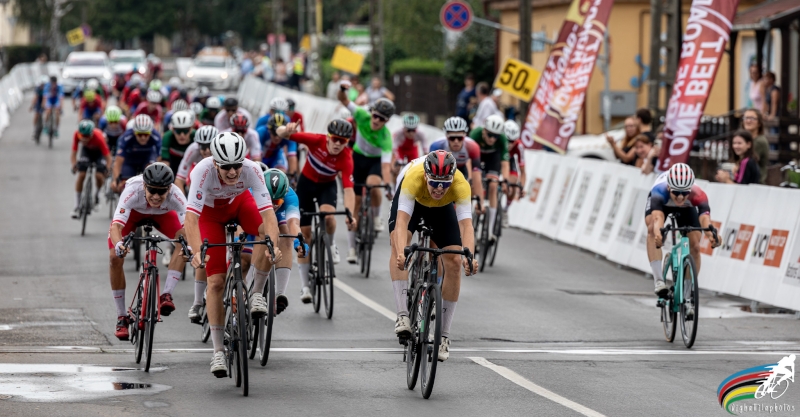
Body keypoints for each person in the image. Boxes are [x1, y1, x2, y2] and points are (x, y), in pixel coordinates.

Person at [185, 132, 282, 377]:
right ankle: (218, 350)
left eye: (237, 165)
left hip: (239, 204)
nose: (232, 172)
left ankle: (256, 292)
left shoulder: (251, 169)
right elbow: (191, 219)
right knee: (216, 282)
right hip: (210, 215)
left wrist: (273, 246)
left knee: (265, 234)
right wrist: (197, 252)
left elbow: (269, 215)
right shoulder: (202, 171)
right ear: (214, 162)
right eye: (226, 167)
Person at [389, 150, 479, 361]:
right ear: (426, 176)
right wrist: (402, 252)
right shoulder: (413, 177)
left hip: (441, 209)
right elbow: (401, 222)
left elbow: (466, 226)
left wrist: (470, 256)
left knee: (454, 260)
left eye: (445, 183)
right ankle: (402, 315)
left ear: (452, 179)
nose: (439, 188)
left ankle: (444, 336)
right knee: (398, 244)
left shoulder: (460, 184)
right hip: (414, 201)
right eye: (435, 182)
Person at [276, 119, 356, 302]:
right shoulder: (315, 140)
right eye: (335, 139)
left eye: (343, 141)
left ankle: (331, 244)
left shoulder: (346, 157)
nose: (338, 144)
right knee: (305, 235)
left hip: (327, 187)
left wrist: (350, 214)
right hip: (306, 185)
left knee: (328, 217)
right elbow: (282, 134)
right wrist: (286, 129)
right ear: (328, 137)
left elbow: (348, 189)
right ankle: (305, 286)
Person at [108, 163, 189, 340]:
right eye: (152, 190)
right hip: (133, 215)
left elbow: (189, 225)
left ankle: (166, 294)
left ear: (169, 189)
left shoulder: (176, 194)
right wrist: (119, 245)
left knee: (184, 240)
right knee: (114, 257)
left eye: (161, 192)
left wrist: (190, 247)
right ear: (144, 185)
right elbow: (116, 227)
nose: (156, 196)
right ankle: (121, 317)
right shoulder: (132, 190)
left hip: (162, 215)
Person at [337, 80, 395, 263]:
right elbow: (343, 100)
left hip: (374, 162)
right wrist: (342, 89)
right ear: (372, 113)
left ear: (387, 121)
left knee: (374, 184)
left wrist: (388, 185)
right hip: (358, 159)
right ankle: (352, 249)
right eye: (375, 116)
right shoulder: (361, 115)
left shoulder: (386, 137)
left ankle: (376, 218)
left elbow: (386, 166)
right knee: (355, 204)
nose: (377, 120)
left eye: (382, 119)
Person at [647, 164, 719, 308]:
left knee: (695, 246)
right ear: (669, 187)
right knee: (651, 230)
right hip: (663, 204)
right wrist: (659, 234)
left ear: (690, 189)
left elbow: (705, 220)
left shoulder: (698, 194)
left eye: (684, 193)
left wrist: (711, 235)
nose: (680, 197)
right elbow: (657, 219)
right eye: (676, 192)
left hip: (687, 208)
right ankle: (659, 281)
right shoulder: (659, 191)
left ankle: (687, 295)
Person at [248, 169, 307, 314]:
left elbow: (293, 223)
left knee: (285, 234)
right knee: (261, 236)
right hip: (255, 213)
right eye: (270, 200)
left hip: (276, 217)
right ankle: (247, 284)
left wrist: (298, 242)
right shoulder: (251, 192)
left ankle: (280, 293)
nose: (273, 205)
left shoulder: (290, 195)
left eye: (278, 201)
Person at [469, 115, 509, 241]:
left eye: (495, 136)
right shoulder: (475, 134)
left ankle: (490, 230)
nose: (492, 139)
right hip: (477, 156)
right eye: (490, 135)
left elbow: (505, 163)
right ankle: (468, 218)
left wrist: (505, 180)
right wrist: (470, 178)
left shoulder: (502, 139)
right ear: (484, 131)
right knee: (473, 183)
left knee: (493, 186)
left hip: (493, 158)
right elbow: (468, 159)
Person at [429, 116, 483, 198]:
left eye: (460, 138)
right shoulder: (437, 146)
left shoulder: (473, 146)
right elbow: (430, 171)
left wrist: (479, 201)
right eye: (452, 138)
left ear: (465, 136)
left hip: (462, 169)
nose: (456, 141)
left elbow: (476, 173)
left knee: (471, 187)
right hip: (443, 171)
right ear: (447, 136)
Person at [70, 120, 112, 218]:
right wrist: (74, 165)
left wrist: (107, 169)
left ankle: (97, 195)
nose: (84, 139)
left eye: (87, 136)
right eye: (82, 136)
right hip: (87, 152)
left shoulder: (99, 138)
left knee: (99, 175)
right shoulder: (76, 135)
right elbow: (74, 153)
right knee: (81, 175)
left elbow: (108, 157)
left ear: (91, 134)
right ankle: (77, 206)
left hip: (99, 153)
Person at [112, 115, 162, 193]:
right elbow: (118, 161)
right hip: (130, 160)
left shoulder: (156, 136)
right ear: (134, 132)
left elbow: (160, 158)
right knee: (125, 184)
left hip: (147, 158)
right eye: (139, 134)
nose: (143, 137)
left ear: (150, 132)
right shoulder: (126, 136)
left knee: (152, 176)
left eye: (146, 134)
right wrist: (116, 180)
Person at [175, 125, 218, 191]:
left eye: (210, 146)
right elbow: (179, 181)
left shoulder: (222, 150)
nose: (207, 150)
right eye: (203, 146)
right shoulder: (193, 149)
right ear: (198, 145)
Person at [391, 113, 427, 183]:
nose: (411, 133)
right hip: (400, 149)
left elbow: (425, 151)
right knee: (397, 166)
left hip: (412, 150)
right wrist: (393, 163)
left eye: (413, 130)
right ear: (404, 128)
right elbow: (393, 149)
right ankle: (394, 186)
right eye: (408, 130)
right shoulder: (398, 133)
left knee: (414, 169)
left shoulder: (421, 134)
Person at [159, 110, 196, 175]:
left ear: (191, 130)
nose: (182, 135)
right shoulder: (167, 136)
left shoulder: (196, 136)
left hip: (191, 162)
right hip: (173, 161)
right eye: (178, 131)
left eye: (185, 131)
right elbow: (165, 162)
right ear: (173, 130)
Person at [741, 108, 770, 183]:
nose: (748, 121)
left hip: (755, 183)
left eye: (752, 118)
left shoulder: (759, 141)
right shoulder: (745, 140)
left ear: (759, 123)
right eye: (746, 118)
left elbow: (746, 162)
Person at [29, 75, 49, 139]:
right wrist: (32, 105)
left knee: (48, 112)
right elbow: (35, 97)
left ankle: (47, 124)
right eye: (42, 84)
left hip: (46, 101)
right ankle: (34, 129)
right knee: (37, 114)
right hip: (39, 101)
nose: (43, 86)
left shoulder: (48, 88)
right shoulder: (38, 88)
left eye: (44, 85)